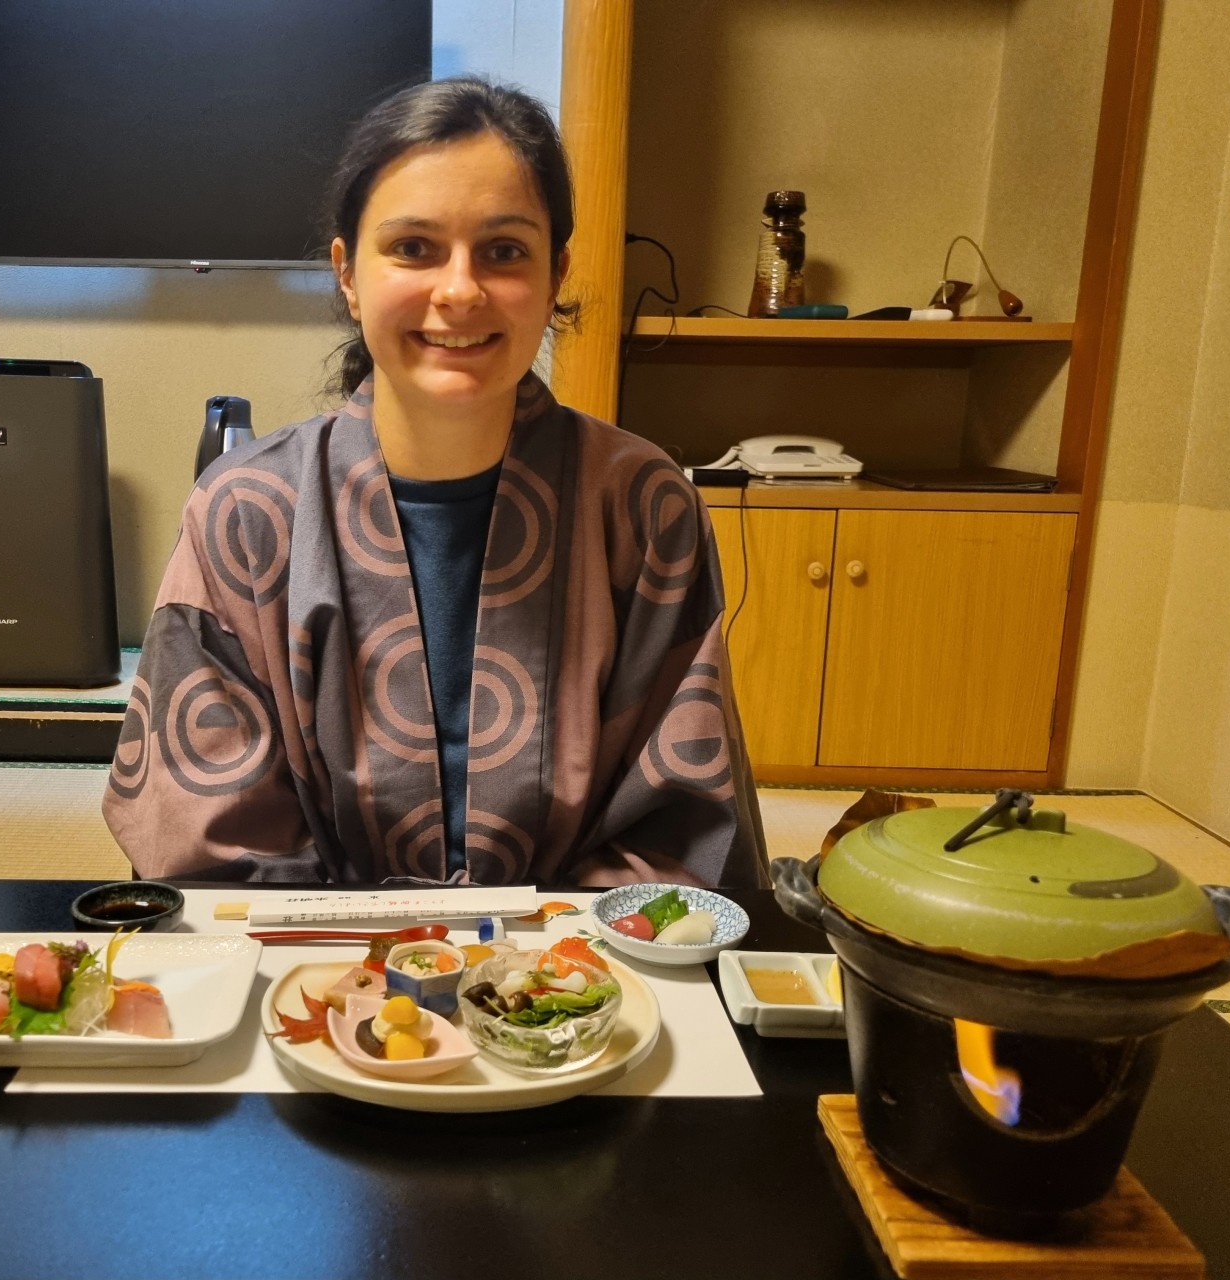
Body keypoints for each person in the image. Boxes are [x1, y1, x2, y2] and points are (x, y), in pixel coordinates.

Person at [103, 77, 767, 887]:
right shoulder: (246, 511)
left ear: (556, 275)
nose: (459, 290)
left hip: (570, 961)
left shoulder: (642, 504)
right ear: (348, 273)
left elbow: (678, 824)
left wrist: (526, 963)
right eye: (414, 248)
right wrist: (384, 957)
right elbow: (209, 838)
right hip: (312, 955)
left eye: (504, 251)